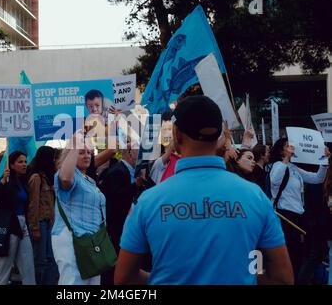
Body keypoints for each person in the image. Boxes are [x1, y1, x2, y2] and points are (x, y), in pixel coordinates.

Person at [115, 95, 293, 285]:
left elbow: (124, 278)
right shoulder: (255, 196)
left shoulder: (148, 201)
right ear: (219, 138)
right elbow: (282, 277)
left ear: (176, 135)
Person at [269, 138, 329, 282]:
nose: (292, 147)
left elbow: (317, 179)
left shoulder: (294, 168)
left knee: (303, 253)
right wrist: (287, 158)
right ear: (281, 150)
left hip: (298, 216)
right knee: (293, 254)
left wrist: (324, 161)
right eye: (287, 146)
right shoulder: (278, 166)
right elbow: (275, 180)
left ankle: (297, 279)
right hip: (285, 216)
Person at [52, 132, 107, 285]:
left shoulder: (89, 180)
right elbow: (65, 178)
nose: (87, 156)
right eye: (81, 152)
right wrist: (75, 143)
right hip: (72, 238)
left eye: (89, 152)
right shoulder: (66, 175)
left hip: (91, 239)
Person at [98, 141, 146, 285]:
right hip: (118, 227)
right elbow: (116, 198)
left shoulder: (132, 171)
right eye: (139, 152)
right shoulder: (118, 171)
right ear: (130, 153)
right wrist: (135, 186)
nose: (141, 156)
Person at [0, 151, 36, 285]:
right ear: (11, 164)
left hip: (23, 225)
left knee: (28, 264)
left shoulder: (22, 180)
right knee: (5, 264)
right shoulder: (5, 180)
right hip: (10, 225)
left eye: (25, 162)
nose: (24, 165)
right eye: (20, 162)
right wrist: (3, 182)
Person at [26, 146, 59, 285]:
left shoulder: (47, 177)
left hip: (49, 222)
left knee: (51, 258)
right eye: (53, 158)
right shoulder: (36, 178)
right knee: (41, 260)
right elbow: (33, 204)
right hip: (40, 223)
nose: (55, 161)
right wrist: (35, 228)